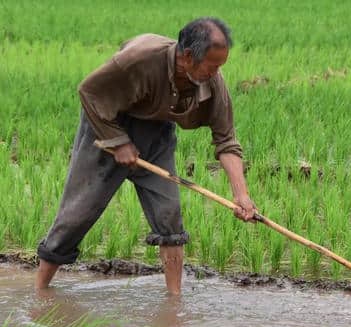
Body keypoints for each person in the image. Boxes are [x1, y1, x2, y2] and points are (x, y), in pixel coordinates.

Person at [35, 17, 256, 295]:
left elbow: (226, 139)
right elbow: (89, 92)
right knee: (77, 215)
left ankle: (174, 301)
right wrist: (118, 142)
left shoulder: (212, 81)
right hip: (108, 127)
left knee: (169, 218)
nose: (217, 72)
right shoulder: (138, 60)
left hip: (157, 134)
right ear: (188, 56)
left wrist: (241, 195)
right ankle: (39, 293)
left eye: (220, 66)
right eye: (212, 65)